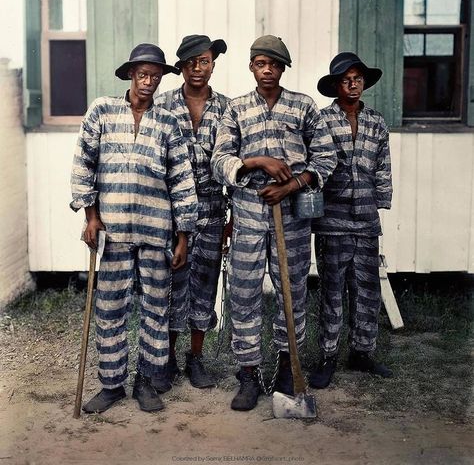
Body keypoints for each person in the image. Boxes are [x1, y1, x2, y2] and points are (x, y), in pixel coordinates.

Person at [70, 43, 198, 414]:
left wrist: (182, 236)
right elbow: (84, 165)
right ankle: (111, 385)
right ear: (130, 74)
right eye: (143, 75)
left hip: (156, 232)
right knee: (110, 309)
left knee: (156, 308)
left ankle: (146, 381)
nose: (149, 82)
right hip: (112, 232)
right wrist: (91, 217)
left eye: (155, 77)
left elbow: (182, 181)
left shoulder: (169, 123)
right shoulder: (102, 111)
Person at [211, 35, 337, 411]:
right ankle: (248, 373)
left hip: (293, 220)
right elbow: (220, 159)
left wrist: (294, 185)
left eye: (275, 65)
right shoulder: (236, 109)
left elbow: (326, 157)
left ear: (283, 69)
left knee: (291, 293)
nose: (268, 71)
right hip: (248, 218)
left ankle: (287, 367)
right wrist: (257, 162)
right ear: (251, 66)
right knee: (244, 295)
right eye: (261, 63)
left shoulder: (303, 107)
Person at [309, 52, 393, 390]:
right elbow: (315, 164)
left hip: (366, 220)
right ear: (335, 86)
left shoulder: (376, 122)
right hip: (332, 219)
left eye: (357, 78)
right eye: (346, 79)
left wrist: (380, 200)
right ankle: (328, 355)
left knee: (367, 289)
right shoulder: (323, 121)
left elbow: (383, 165)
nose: (353, 83)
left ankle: (362, 351)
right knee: (332, 290)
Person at [155, 34, 230, 388]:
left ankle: (195, 358)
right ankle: (166, 356)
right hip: (172, 215)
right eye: (190, 63)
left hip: (214, 213)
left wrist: (230, 220)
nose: (198, 69)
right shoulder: (163, 105)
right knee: (172, 284)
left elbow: (234, 163)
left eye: (205, 61)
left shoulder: (229, 108)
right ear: (181, 68)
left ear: (213, 64)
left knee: (205, 285)